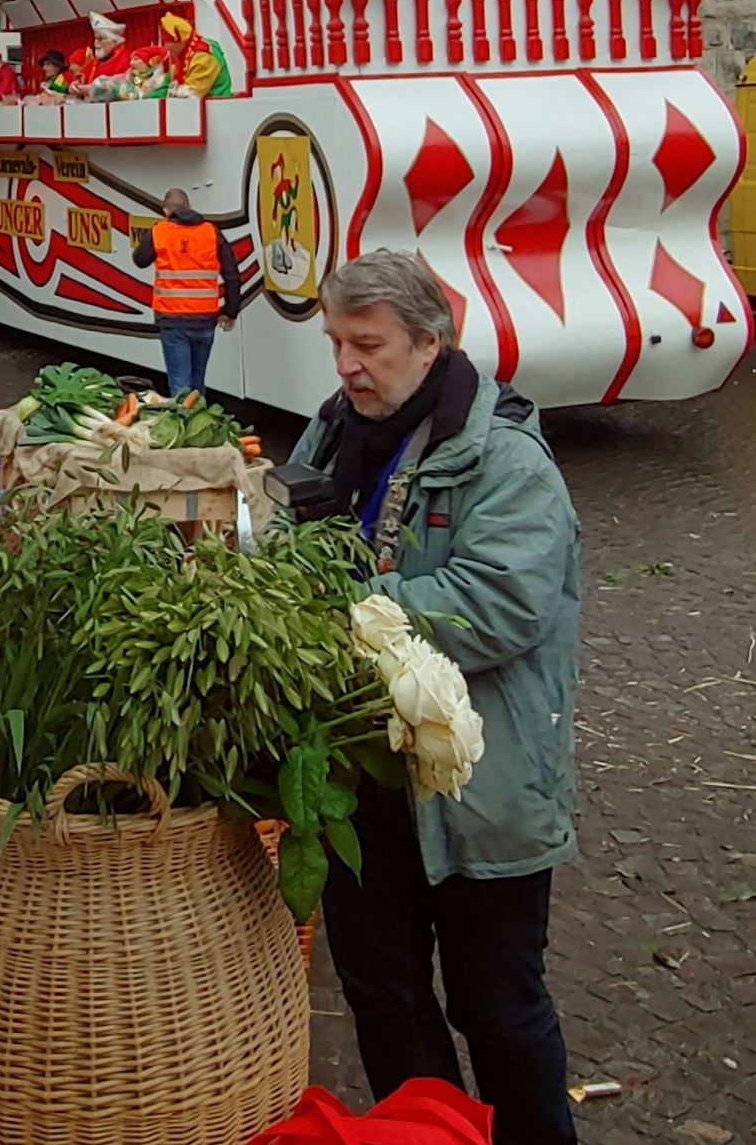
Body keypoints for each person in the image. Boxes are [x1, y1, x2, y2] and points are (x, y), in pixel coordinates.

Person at [291, 251, 580, 1145]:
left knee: (497, 1009)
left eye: (366, 345)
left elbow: (499, 606)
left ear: (429, 343)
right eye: (336, 341)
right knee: (385, 998)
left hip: (476, 793)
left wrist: (341, 610)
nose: (345, 365)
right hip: (360, 780)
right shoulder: (335, 429)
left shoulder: (508, 461)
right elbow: (289, 538)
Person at [130, 189, 241, 396]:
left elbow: (139, 259)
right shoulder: (211, 232)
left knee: (180, 385)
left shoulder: (160, 232)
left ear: (166, 211)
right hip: (205, 320)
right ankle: (201, 425)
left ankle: (183, 426)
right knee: (197, 382)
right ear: (190, 207)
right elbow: (233, 274)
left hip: (173, 321)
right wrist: (230, 311)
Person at [161, 11, 232, 98]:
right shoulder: (180, 58)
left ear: (181, 41)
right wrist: (146, 92)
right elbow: (164, 86)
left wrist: (171, 92)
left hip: (218, 109)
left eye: (168, 42)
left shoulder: (204, 55)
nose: (165, 48)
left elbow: (192, 93)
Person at [69, 12, 131, 93]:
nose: (95, 43)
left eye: (100, 39)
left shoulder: (128, 60)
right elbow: (80, 81)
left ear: (115, 41)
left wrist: (94, 89)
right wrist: (74, 86)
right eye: (95, 39)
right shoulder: (92, 64)